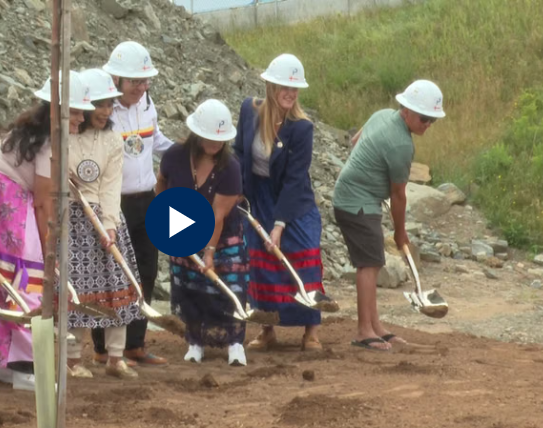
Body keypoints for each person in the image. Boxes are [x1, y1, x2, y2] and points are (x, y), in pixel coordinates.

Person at [0, 71, 93, 391]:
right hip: (8, 202)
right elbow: (43, 204)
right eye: (74, 111)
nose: (81, 117)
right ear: (56, 109)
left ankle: (1, 363)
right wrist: (50, 252)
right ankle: (25, 365)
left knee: (0, 275)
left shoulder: (33, 133)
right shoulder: (49, 141)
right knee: (28, 275)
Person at [233, 53, 338, 351]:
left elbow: (295, 179)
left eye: (295, 89)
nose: (291, 94)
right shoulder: (248, 110)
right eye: (285, 87)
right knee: (263, 264)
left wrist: (279, 225)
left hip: (294, 202)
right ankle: (268, 330)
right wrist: (237, 190)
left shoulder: (302, 128)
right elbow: (239, 152)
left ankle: (311, 332)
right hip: (259, 197)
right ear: (271, 87)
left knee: (304, 261)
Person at [333, 79, 446, 351]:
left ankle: (376, 327)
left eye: (433, 119)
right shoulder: (401, 146)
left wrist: (367, 172)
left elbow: (355, 141)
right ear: (405, 110)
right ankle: (363, 331)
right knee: (368, 264)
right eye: (424, 118)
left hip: (356, 196)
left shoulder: (383, 115)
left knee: (373, 260)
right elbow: (398, 194)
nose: (428, 124)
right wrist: (400, 231)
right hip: (356, 202)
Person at [91, 41, 174, 367]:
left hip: (147, 199)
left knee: (146, 271)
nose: (141, 88)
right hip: (114, 204)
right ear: (116, 80)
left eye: (145, 81)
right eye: (135, 82)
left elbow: (157, 142)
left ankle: (135, 344)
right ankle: (103, 348)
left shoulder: (147, 105)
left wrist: (189, 150)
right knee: (109, 274)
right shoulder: (102, 111)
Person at [156, 99, 248, 366]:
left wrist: (209, 252)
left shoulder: (230, 167)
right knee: (190, 287)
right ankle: (195, 342)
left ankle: (235, 344)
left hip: (223, 235)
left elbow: (217, 216)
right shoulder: (175, 156)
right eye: (210, 139)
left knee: (230, 286)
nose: (216, 145)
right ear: (197, 135)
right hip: (183, 228)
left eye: (220, 140)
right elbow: (161, 185)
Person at [65, 68, 143, 379]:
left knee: (117, 285)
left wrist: (109, 224)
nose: (106, 112)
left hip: (105, 219)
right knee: (76, 291)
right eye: (100, 104)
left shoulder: (112, 140)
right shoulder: (65, 136)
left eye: (110, 105)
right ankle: (72, 359)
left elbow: (111, 185)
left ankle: (115, 357)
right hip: (71, 218)